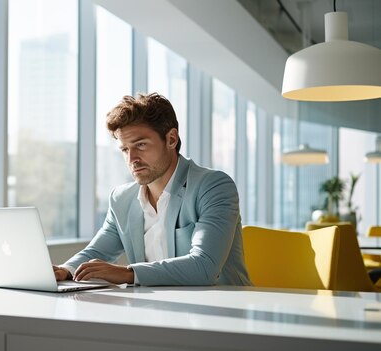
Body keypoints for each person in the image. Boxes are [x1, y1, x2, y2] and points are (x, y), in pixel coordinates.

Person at [53, 92, 251, 286]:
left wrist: (128, 273)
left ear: (171, 139)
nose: (132, 159)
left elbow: (204, 266)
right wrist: (66, 270)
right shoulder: (122, 199)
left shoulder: (213, 186)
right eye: (124, 149)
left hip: (221, 311)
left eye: (141, 145)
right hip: (155, 312)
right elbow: (96, 253)